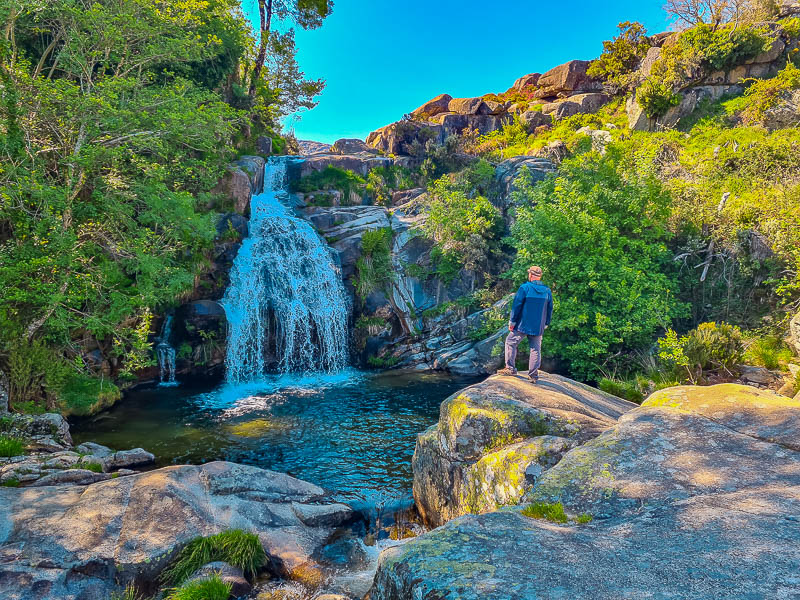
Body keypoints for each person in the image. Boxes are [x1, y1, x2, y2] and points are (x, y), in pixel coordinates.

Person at [497, 265, 553, 383]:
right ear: (540, 276)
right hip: (538, 326)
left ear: (530, 275)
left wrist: (512, 321)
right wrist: (546, 323)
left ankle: (510, 369)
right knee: (535, 349)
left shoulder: (524, 288)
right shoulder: (547, 291)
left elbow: (516, 306)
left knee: (510, 342)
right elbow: (549, 309)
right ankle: (533, 376)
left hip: (523, 324)